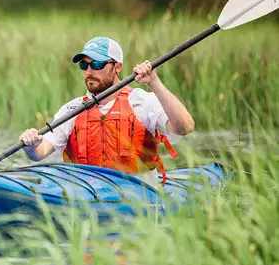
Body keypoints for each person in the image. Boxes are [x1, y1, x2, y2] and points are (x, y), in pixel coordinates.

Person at [19, 36, 195, 184]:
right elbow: (40, 153)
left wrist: (154, 82)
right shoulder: (72, 109)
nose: (89, 71)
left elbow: (184, 127)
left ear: (117, 67)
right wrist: (31, 146)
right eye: (84, 65)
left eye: (96, 64)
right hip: (86, 193)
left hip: (137, 193)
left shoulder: (142, 102)